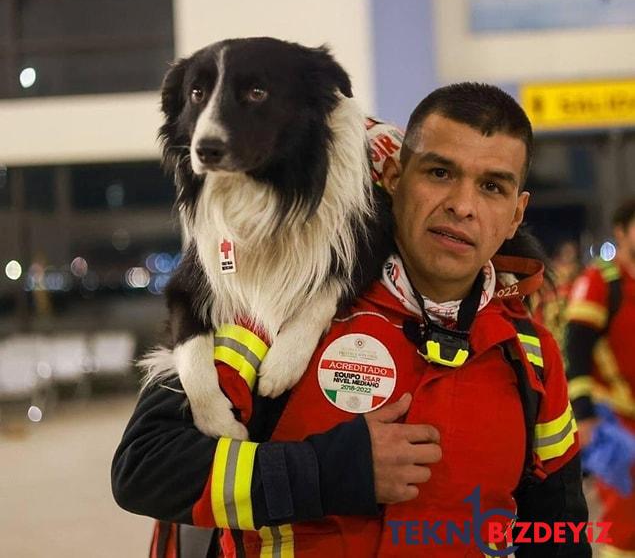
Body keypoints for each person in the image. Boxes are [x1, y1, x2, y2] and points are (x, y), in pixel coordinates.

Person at [112, 83, 590, 557]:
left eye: (492, 186)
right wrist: (330, 469)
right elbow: (145, 467)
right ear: (396, 178)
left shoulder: (531, 355)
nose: (462, 205)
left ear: (515, 215)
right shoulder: (278, 308)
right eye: (440, 173)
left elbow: (558, 531)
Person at [564, 198, 635, 556]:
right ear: (621, 233)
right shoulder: (600, 281)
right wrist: (586, 416)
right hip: (614, 422)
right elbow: (575, 352)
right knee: (624, 523)